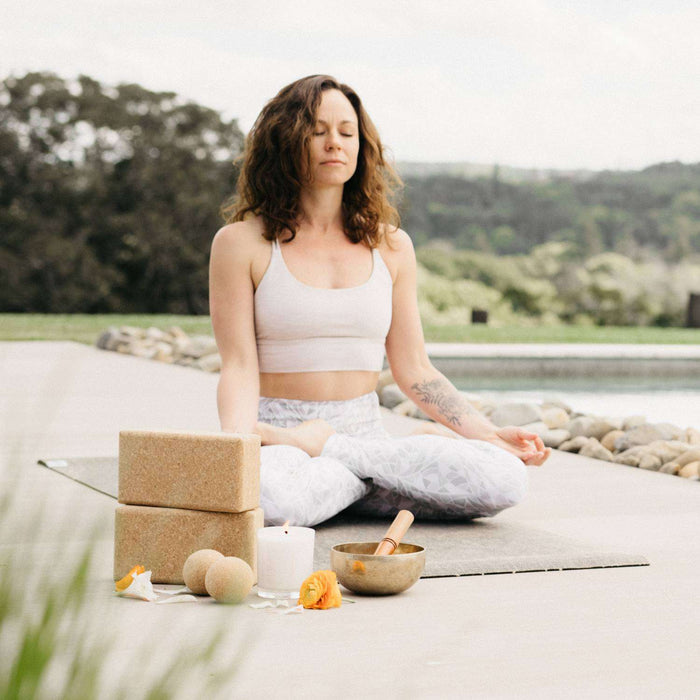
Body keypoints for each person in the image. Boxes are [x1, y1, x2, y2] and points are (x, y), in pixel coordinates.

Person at [209, 74, 550, 527]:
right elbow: (238, 365)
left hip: (364, 435)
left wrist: (488, 434)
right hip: (280, 437)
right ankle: (380, 480)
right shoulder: (240, 244)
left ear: (361, 146)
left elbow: (415, 369)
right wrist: (237, 444)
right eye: (317, 131)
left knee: (505, 478)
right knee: (274, 502)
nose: (335, 143)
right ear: (285, 140)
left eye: (347, 132)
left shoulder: (391, 246)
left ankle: (342, 462)